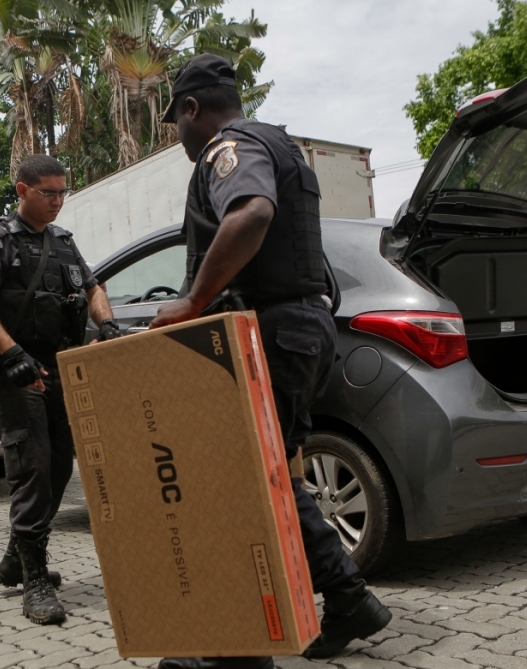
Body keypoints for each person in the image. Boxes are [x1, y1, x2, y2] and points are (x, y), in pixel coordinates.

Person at [149, 55, 392, 667]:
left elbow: (252, 212)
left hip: (270, 331)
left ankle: (238, 648)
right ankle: (347, 598)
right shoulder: (281, 145)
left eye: (175, 121)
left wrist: (192, 301)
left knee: (236, 485)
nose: (178, 137)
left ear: (191, 109)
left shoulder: (229, 148)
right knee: (273, 476)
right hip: (299, 330)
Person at [0, 154, 121, 626]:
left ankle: (15, 556)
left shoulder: (64, 243)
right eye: (48, 192)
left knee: (60, 466)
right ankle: (34, 579)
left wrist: (106, 323)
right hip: (19, 371)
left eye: (62, 192)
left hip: (62, 369)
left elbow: (93, 287)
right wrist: (12, 355)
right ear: (22, 191)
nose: (57, 201)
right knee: (32, 468)